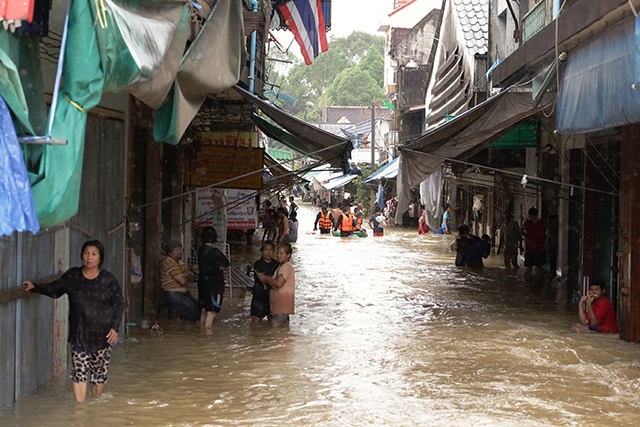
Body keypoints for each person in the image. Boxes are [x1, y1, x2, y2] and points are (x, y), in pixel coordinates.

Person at [22, 240, 123, 402]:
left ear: (100, 258)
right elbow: (55, 289)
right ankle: (80, 412)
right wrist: (35, 287)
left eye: (93, 254)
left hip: (103, 335)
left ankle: (95, 405)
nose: (89, 257)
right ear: (82, 255)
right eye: (86, 253)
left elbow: (118, 304)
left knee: (99, 373)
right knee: (79, 372)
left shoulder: (108, 280)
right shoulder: (73, 276)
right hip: (79, 334)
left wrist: (115, 328)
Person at [197, 227, 230, 328]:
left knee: (203, 311)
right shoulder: (215, 252)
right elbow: (226, 263)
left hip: (202, 284)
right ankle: (207, 339)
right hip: (214, 286)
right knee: (211, 312)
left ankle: (201, 334)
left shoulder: (200, 250)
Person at [160, 240, 200, 322]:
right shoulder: (170, 263)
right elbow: (183, 281)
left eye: (180, 249)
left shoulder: (179, 263)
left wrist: (186, 275)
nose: (179, 252)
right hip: (172, 294)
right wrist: (186, 275)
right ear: (170, 253)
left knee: (199, 308)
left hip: (181, 292)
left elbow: (191, 277)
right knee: (194, 313)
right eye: (176, 250)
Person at [258, 242, 295, 328]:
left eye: (282, 253)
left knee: (275, 336)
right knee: (283, 335)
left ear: (288, 255)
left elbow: (278, 283)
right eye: (277, 253)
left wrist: (265, 279)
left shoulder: (285, 267)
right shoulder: (283, 266)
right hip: (283, 308)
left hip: (280, 308)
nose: (278, 255)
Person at [250, 241, 279, 323]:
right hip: (259, 297)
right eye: (266, 250)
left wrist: (266, 278)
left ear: (273, 252)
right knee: (255, 323)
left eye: (271, 250)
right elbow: (261, 279)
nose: (268, 252)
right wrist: (270, 279)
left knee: (272, 322)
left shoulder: (277, 264)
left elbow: (277, 280)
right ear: (262, 251)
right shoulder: (257, 264)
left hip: (271, 296)